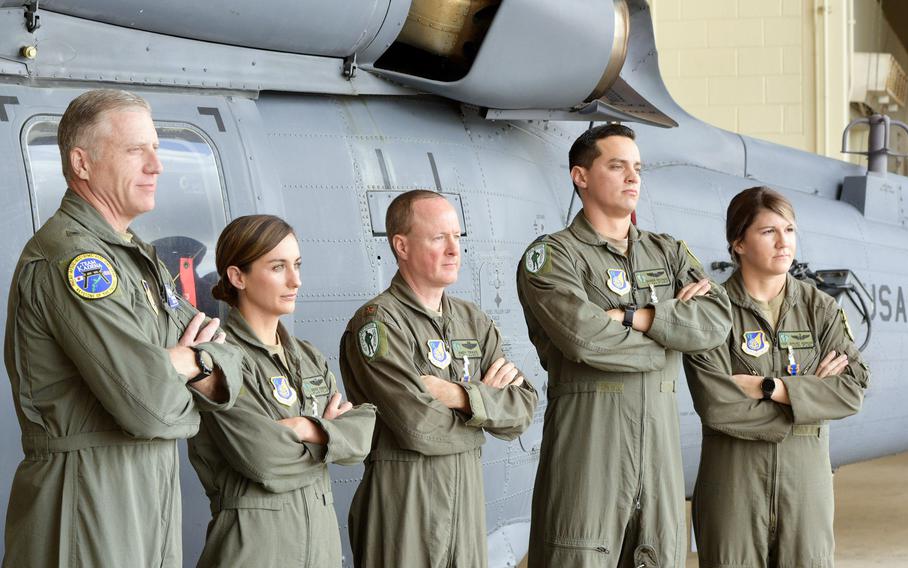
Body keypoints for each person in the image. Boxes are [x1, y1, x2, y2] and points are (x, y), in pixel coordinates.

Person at [3, 89, 243, 567]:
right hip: (87, 498)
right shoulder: (74, 260)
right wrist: (184, 368)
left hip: (147, 493)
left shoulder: (137, 256)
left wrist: (179, 363)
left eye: (156, 148)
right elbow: (147, 408)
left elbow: (228, 359)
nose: (157, 165)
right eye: (137, 150)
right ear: (82, 163)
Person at [516, 123, 732, 568]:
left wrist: (636, 318)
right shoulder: (554, 256)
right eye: (617, 166)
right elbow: (585, 339)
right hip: (589, 447)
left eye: (637, 167)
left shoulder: (668, 251)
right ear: (581, 176)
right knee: (578, 555)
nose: (633, 177)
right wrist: (672, 337)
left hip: (659, 453)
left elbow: (715, 322)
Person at [340, 190, 539, 568]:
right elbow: (417, 426)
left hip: (464, 505)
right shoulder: (379, 323)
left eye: (457, 237)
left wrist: (459, 396)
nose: (454, 250)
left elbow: (523, 411)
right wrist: (484, 408)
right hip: (404, 505)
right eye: (438, 238)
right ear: (401, 246)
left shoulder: (472, 320)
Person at [683, 186, 869, 567]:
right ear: (738, 242)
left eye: (790, 230)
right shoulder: (713, 311)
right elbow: (718, 406)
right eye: (769, 231)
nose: (784, 242)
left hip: (805, 489)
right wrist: (808, 400)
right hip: (733, 488)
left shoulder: (821, 309)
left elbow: (851, 390)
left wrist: (774, 389)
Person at [188, 214, 376, 567]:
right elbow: (264, 459)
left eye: (297, 265)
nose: (296, 280)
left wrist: (306, 429)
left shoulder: (307, 357)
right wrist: (329, 435)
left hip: (319, 549)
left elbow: (361, 437)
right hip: (255, 551)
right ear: (237, 276)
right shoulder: (221, 360)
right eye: (278, 267)